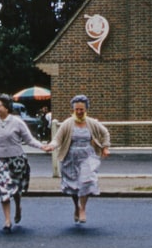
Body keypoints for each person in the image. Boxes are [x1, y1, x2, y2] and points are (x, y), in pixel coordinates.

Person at [43, 94, 111, 224]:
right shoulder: (68, 124)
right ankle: (76, 207)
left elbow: (105, 133)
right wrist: (51, 146)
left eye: (82, 110)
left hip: (87, 156)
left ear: (86, 110)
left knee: (86, 182)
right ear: (73, 110)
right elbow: (58, 138)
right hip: (70, 157)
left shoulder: (92, 123)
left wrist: (105, 147)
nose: (79, 112)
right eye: (77, 110)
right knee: (73, 185)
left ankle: (83, 209)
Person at [0, 94, 45, 232]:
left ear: (7, 108)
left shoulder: (17, 122)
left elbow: (29, 140)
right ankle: (7, 220)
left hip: (16, 160)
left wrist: (42, 146)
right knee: (3, 189)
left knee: (16, 189)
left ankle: (18, 206)